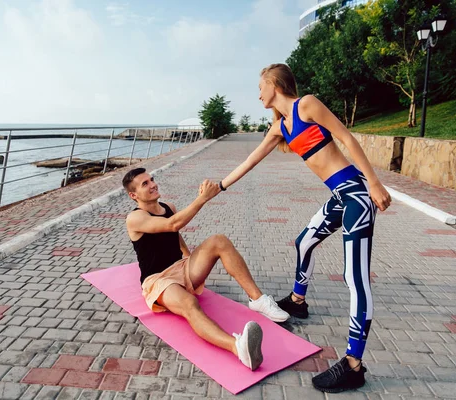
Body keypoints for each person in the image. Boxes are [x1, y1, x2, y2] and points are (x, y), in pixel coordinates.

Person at [217, 63, 392, 392]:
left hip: (356, 195)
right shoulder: (281, 127)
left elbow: (346, 138)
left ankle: (354, 364)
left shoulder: (306, 105)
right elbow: (250, 160)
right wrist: (220, 186)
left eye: (260, 86)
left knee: (355, 279)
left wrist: (374, 183)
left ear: (275, 84)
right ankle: (298, 301)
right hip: (339, 197)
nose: (258, 94)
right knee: (304, 241)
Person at [122, 167, 290, 371]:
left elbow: (176, 234)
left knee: (219, 241)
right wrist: (203, 198)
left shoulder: (169, 207)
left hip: (181, 268)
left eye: (152, 179)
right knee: (189, 303)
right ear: (133, 195)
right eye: (145, 184)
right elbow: (173, 225)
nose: (153, 184)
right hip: (158, 280)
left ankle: (258, 300)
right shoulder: (135, 218)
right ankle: (238, 348)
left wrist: (188, 256)